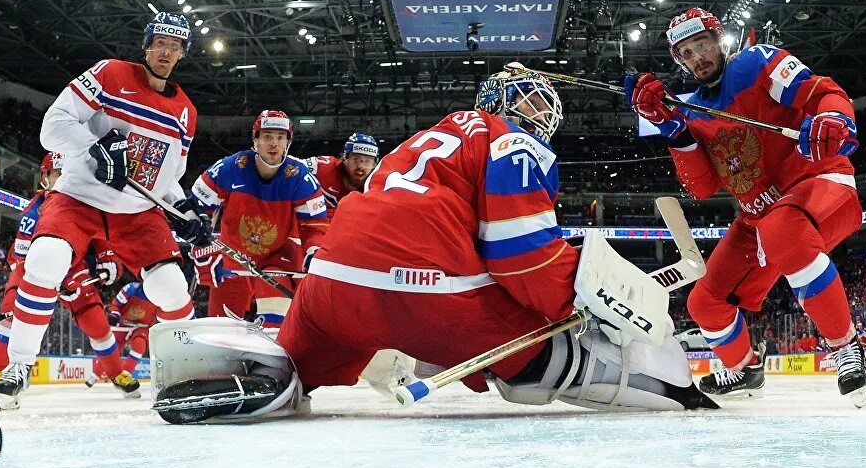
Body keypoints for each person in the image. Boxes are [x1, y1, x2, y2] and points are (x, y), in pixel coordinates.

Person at [150, 68, 715, 423]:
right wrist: (579, 305)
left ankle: (250, 372)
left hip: (330, 293)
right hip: (428, 292)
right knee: (547, 360)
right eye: (532, 103)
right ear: (501, 102)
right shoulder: (511, 142)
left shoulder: (415, 143)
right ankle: (674, 390)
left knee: (295, 370)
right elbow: (522, 257)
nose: (542, 117)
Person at [628, 6, 866, 407]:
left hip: (819, 184)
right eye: (686, 54)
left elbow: (822, 92)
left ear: (719, 39)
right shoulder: (692, 111)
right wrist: (674, 132)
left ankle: (845, 347)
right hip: (760, 218)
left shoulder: (755, 64)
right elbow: (703, 187)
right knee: (704, 303)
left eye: (701, 44)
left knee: (783, 231)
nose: (697, 58)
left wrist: (832, 118)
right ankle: (745, 369)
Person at [0, 12, 210, 407]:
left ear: (183, 54)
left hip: (137, 211)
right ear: (146, 46)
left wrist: (186, 211)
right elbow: (52, 126)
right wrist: (97, 145)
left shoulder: (186, 113)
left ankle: (186, 370)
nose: (166, 51)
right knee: (45, 259)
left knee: (172, 287)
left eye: (175, 46)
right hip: (79, 196)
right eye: (160, 42)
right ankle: (19, 365)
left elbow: (166, 179)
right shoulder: (109, 73)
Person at [0, 154, 139, 407]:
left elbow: (103, 241)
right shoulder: (33, 212)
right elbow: (22, 261)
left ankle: (116, 373)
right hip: (32, 268)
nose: (63, 179)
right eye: (58, 173)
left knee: (98, 326)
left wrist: (108, 259)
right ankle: (2, 370)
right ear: (44, 179)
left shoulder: (85, 204)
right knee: (12, 315)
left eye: (67, 173)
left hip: (73, 267)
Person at [190, 110, 327, 330]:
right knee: (218, 330)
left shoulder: (300, 177)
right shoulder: (230, 168)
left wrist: (314, 252)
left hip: (277, 260)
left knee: (275, 328)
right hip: (233, 256)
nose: (273, 144)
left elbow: (315, 226)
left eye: (280, 137)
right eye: (267, 136)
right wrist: (202, 246)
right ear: (255, 140)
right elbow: (195, 207)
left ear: (288, 143)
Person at [301, 132, 378, 246]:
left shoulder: (376, 187)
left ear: (374, 164)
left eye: (367, 161)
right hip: (307, 234)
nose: (361, 167)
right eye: (356, 159)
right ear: (344, 158)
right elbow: (289, 171)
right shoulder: (321, 167)